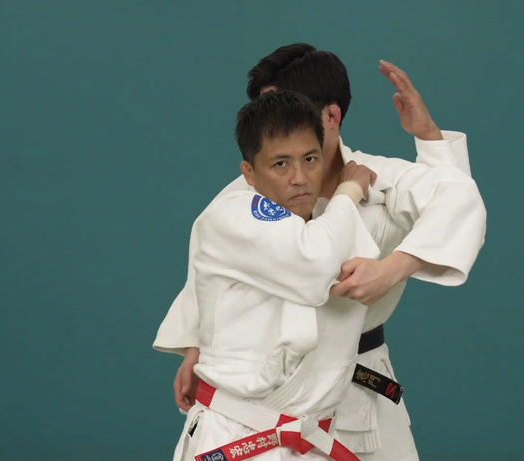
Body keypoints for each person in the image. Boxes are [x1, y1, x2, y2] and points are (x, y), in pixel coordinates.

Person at [156, 43, 487, 461]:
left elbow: (457, 200)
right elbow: (212, 274)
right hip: (257, 399)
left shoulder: (381, 181)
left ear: (331, 116)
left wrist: (393, 268)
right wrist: (196, 343)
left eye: (288, 107)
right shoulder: (247, 193)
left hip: (356, 385)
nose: (275, 121)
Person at [173, 89, 380, 461]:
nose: (300, 178)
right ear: (249, 173)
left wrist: (433, 143)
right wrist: (349, 190)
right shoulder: (233, 215)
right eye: (280, 164)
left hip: (315, 440)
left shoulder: (337, 224)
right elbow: (313, 266)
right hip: (237, 436)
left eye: (310, 159)